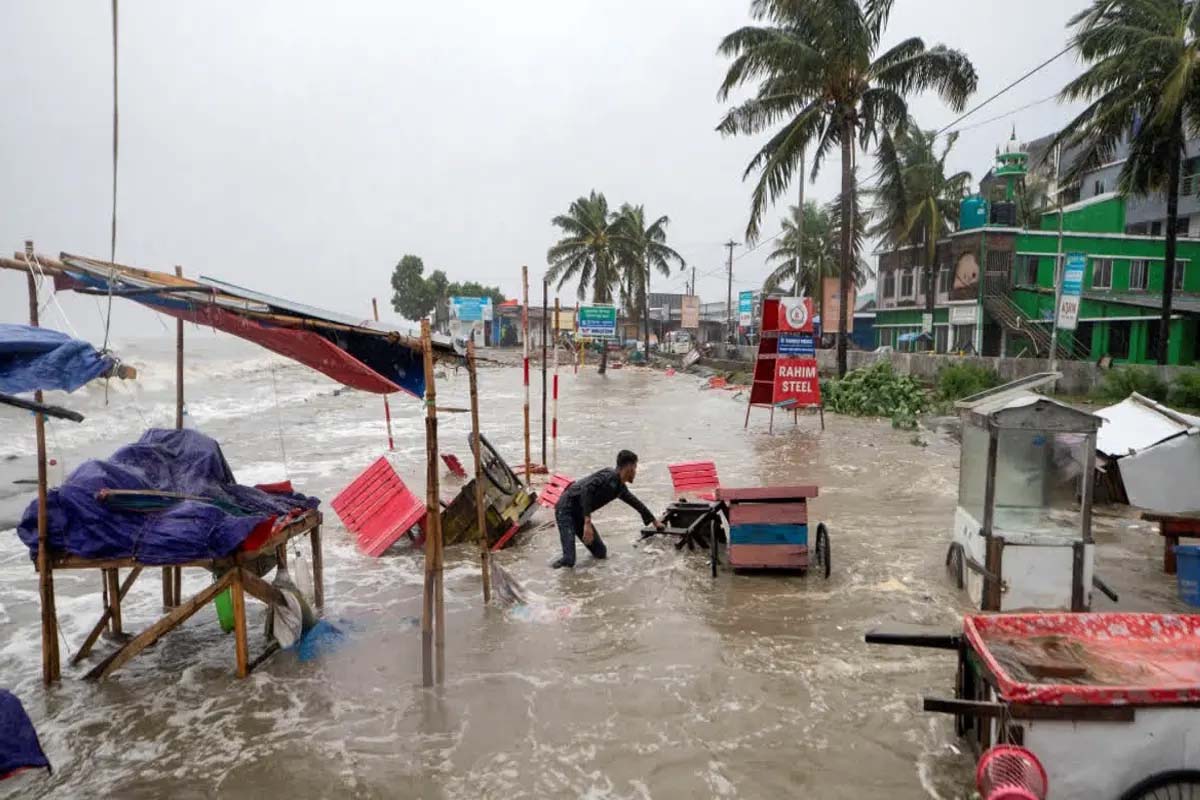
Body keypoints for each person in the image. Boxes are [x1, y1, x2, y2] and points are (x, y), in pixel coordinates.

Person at [552, 450, 662, 568]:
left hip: (580, 513)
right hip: (566, 508)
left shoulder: (620, 487)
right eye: (635, 467)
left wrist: (655, 522)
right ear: (629, 467)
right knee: (569, 560)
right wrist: (587, 522)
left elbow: (636, 503)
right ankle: (547, 571)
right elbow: (585, 490)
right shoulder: (608, 476)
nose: (635, 472)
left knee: (601, 553)